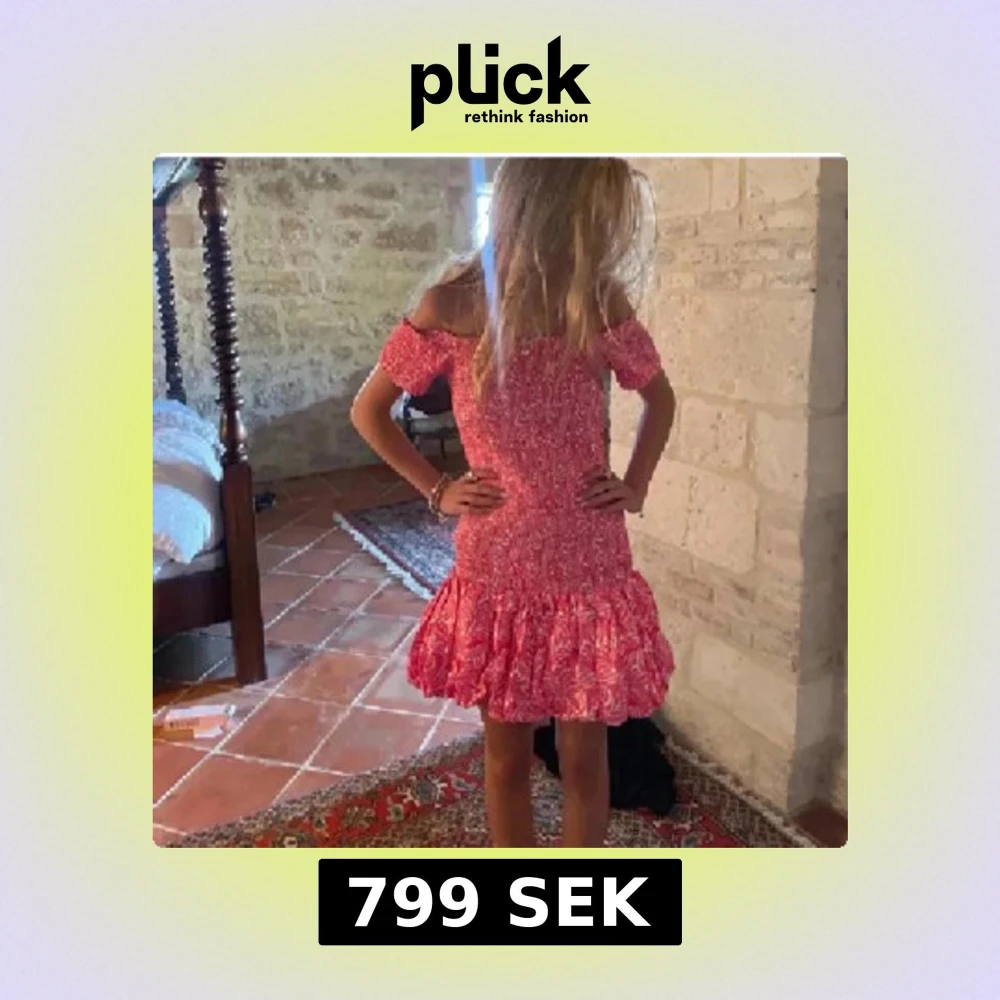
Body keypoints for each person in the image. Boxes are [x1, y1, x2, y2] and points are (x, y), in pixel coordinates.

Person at [350, 157, 676, 847]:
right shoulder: (451, 306)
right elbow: (369, 411)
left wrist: (637, 483)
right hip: (498, 562)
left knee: (585, 756)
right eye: (595, 216)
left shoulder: (597, 299)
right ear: (551, 209)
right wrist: (437, 489)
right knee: (506, 757)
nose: (606, 233)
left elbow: (660, 398)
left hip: (587, 557)